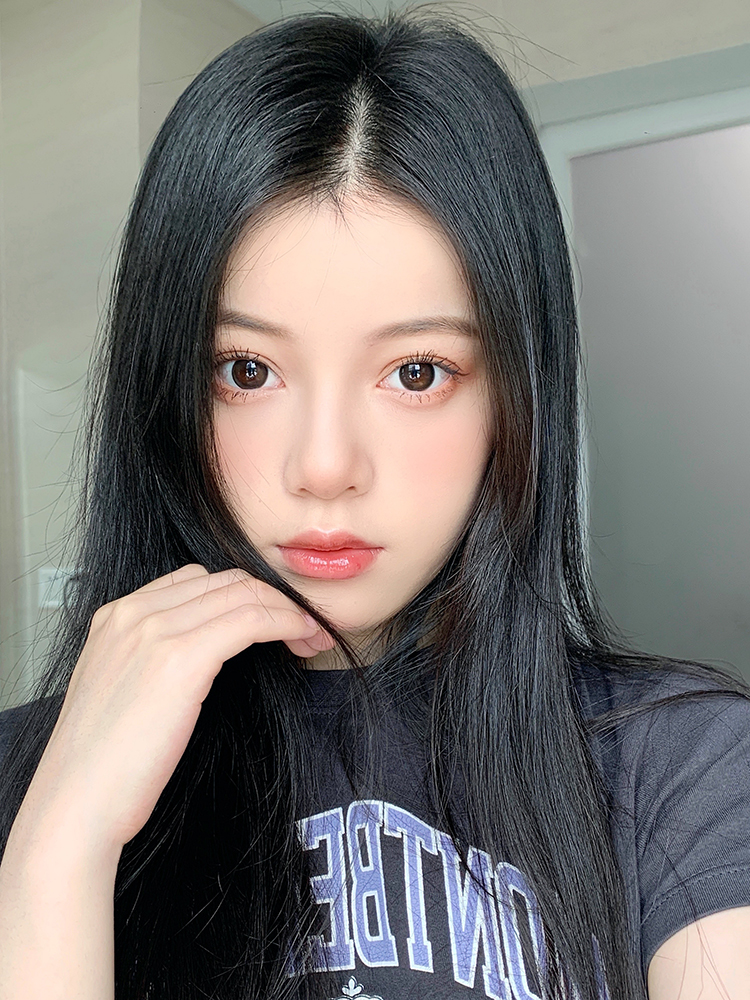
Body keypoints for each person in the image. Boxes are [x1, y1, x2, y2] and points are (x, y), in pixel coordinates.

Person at [0, 7, 749, 1000]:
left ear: (514, 397)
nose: (324, 466)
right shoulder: (34, 780)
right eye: (247, 369)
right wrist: (58, 853)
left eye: (417, 372)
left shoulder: (683, 765)